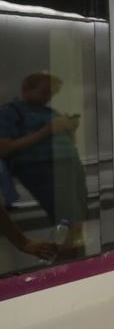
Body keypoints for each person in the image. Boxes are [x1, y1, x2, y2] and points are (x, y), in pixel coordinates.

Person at [0, 71, 87, 250]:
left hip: (69, 163)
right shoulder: (10, 112)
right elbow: (5, 148)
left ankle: (74, 247)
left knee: (79, 212)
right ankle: (65, 251)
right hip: (40, 167)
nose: (48, 97)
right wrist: (47, 130)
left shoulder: (50, 112)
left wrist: (70, 129)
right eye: (44, 92)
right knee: (66, 214)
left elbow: (68, 141)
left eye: (51, 94)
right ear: (26, 89)